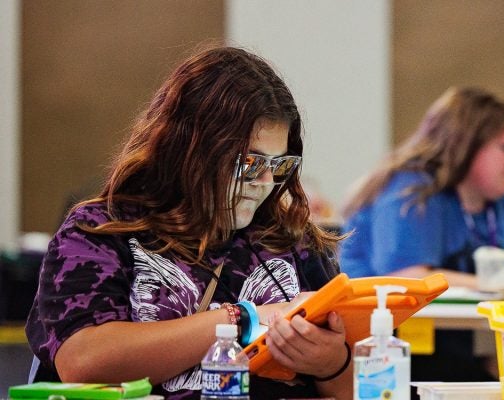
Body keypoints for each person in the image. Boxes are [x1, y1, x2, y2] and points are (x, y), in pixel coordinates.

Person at [25, 46, 352, 399]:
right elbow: (84, 361)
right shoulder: (102, 231)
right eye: (251, 163)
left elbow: (368, 386)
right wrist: (244, 319)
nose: (266, 183)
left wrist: (332, 364)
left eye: (278, 165)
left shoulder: (291, 241)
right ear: (192, 148)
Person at [339, 86, 504, 382]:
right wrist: (501, 288)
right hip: (380, 355)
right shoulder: (410, 190)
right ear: (465, 145)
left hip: (462, 347)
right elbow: (410, 278)